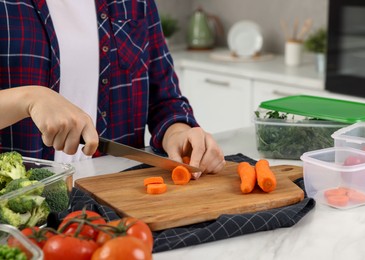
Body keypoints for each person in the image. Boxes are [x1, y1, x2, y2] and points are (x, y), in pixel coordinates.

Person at [0, 0, 225, 178]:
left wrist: (178, 133)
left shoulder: (137, 3)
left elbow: (165, 99)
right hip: (19, 201)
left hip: (118, 195)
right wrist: (29, 99)